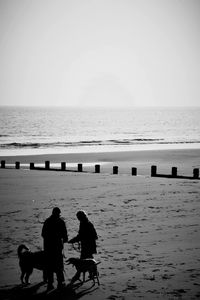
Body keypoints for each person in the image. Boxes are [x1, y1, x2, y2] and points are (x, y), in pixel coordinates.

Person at [41, 207, 68, 290]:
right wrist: (63, 240)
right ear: (58, 213)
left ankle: (50, 283)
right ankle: (60, 282)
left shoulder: (47, 221)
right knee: (59, 266)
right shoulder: (61, 222)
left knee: (49, 266)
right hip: (57, 247)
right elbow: (65, 236)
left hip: (48, 247)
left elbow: (43, 234)